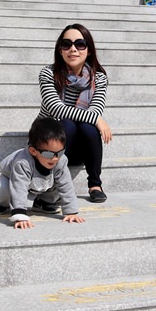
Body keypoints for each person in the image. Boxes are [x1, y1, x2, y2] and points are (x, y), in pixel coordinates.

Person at [37, 24, 111, 203]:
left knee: (87, 126)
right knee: (69, 123)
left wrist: (94, 118)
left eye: (80, 44)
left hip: (80, 146)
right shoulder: (48, 74)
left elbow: (95, 110)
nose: (73, 49)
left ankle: (95, 184)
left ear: (89, 50)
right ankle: (48, 181)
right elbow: (57, 109)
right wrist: (98, 119)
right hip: (49, 141)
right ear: (60, 50)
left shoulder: (99, 78)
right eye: (66, 44)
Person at [0, 118, 85, 229]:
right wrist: (20, 214)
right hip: (13, 180)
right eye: (48, 154)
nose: (55, 158)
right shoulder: (22, 162)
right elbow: (19, 187)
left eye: (60, 152)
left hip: (43, 181)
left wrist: (71, 211)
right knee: (5, 190)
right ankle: (2, 204)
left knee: (60, 182)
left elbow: (66, 185)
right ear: (33, 151)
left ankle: (43, 202)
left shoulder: (60, 160)